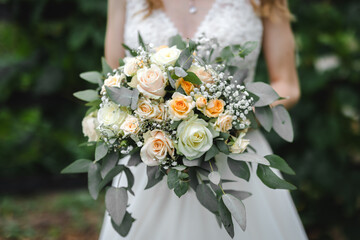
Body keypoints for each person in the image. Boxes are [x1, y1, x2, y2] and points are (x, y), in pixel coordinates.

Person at [99, 0, 308, 239]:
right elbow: (113, 81)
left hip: (235, 158)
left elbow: (287, 84)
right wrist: (158, 121)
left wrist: (227, 118)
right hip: (152, 161)